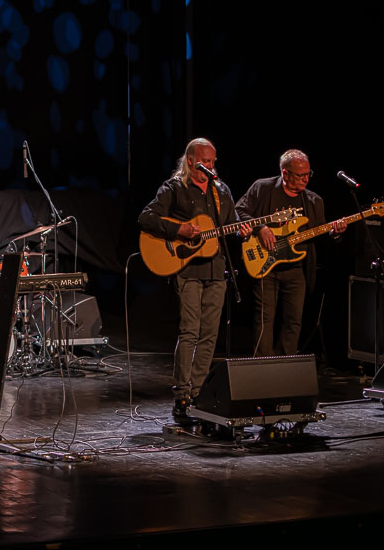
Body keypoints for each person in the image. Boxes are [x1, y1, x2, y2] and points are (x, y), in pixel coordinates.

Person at [138, 138, 252, 421]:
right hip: (187, 270)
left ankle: (199, 393)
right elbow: (146, 218)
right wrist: (179, 230)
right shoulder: (174, 188)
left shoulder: (221, 190)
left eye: (213, 162)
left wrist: (243, 230)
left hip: (216, 269)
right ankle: (182, 395)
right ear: (190, 161)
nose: (209, 167)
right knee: (189, 331)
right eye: (205, 162)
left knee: (210, 334)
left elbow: (231, 223)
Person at [235, 149, 346, 357]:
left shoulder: (313, 201)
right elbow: (239, 210)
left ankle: (285, 364)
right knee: (264, 319)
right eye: (300, 175)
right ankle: (263, 366)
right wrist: (260, 228)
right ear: (285, 173)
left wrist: (334, 233)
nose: (306, 179)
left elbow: (320, 234)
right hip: (266, 265)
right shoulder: (263, 188)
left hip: (296, 269)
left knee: (294, 321)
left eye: (308, 174)